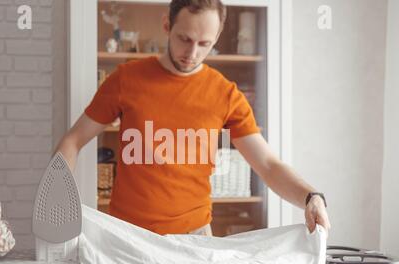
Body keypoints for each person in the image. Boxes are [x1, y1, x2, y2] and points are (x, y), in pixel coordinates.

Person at [55, 0, 331, 237]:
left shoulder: (225, 94)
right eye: (184, 39)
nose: (192, 53)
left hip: (195, 237)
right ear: (167, 26)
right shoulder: (126, 79)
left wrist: (311, 197)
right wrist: (58, 201)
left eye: (204, 44)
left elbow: (269, 165)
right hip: (129, 235)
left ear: (217, 36)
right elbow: (73, 140)